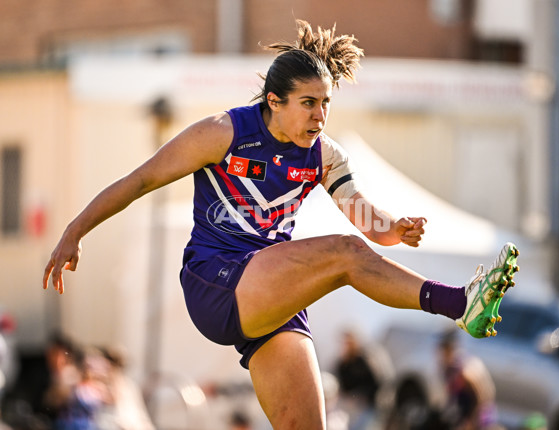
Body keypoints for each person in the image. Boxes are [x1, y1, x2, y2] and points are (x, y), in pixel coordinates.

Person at [42, 20, 520, 430]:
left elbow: (365, 221)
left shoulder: (325, 155)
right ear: (274, 100)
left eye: (326, 102)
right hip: (217, 280)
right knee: (343, 253)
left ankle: (460, 304)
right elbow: (141, 179)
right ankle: (460, 302)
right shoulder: (222, 132)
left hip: (270, 298)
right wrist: (73, 232)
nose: (320, 115)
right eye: (309, 103)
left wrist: (396, 228)